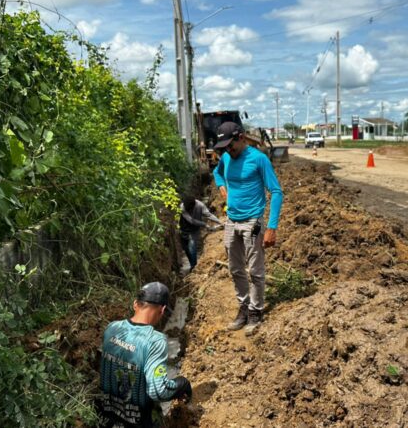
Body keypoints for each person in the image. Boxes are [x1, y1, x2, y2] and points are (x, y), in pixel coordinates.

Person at [212, 122, 283, 336]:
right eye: (224, 147)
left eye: (230, 145)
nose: (227, 150)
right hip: (231, 221)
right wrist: (221, 186)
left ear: (241, 137)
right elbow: (217, 173)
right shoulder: (226, 157)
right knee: (235, 268)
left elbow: (277, 192)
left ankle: (256, 311)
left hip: (253, 222)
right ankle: (243, 308)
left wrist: (271, 227)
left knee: (255, 269)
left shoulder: (259, 159)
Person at [99, 282, 192, 428]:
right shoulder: (155, 341)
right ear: (162, 310)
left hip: (108, 418)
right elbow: (158, 391)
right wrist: (182, 384)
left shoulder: (112, 328)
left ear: (135, 304)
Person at [179, 195, 222, 271]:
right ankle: (191, 263)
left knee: (192, 248)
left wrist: (220, 222)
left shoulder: (200, 205)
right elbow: (191, 221)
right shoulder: (182, 207)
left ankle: (194, 267)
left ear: (194, 205)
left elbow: (208, 215)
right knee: (186, 248)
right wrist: (205, 224)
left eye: (190, 209)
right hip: (184, 229)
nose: (189, 210)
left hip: (194, 230)